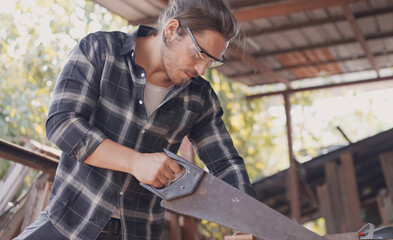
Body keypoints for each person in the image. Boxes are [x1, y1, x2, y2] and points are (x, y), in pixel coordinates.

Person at [15, 0, 257, 239]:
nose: (202, 69)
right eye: (198, 54)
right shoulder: (100, 51)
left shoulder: (200, 97)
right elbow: (62, 123)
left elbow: (226, 164)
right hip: (67, 224)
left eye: (211, 62)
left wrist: (248, 222)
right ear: (172, 30)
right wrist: (135, 163)